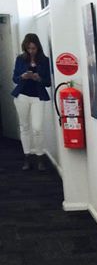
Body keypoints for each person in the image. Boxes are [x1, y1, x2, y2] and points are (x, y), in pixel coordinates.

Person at [11, 33, 52, 170]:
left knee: (37, 128)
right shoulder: (20, 59)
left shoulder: (45, 60)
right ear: (25, 47)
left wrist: (38, 78)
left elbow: (48, 82)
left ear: (38, 47)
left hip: (38, 97)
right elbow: (15, 78)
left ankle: (40, 156)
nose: (31, 51)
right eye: (28, 48)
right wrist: (23, 76)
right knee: (24, 126)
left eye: (33, 48)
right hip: (22, 96)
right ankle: (27, 157)